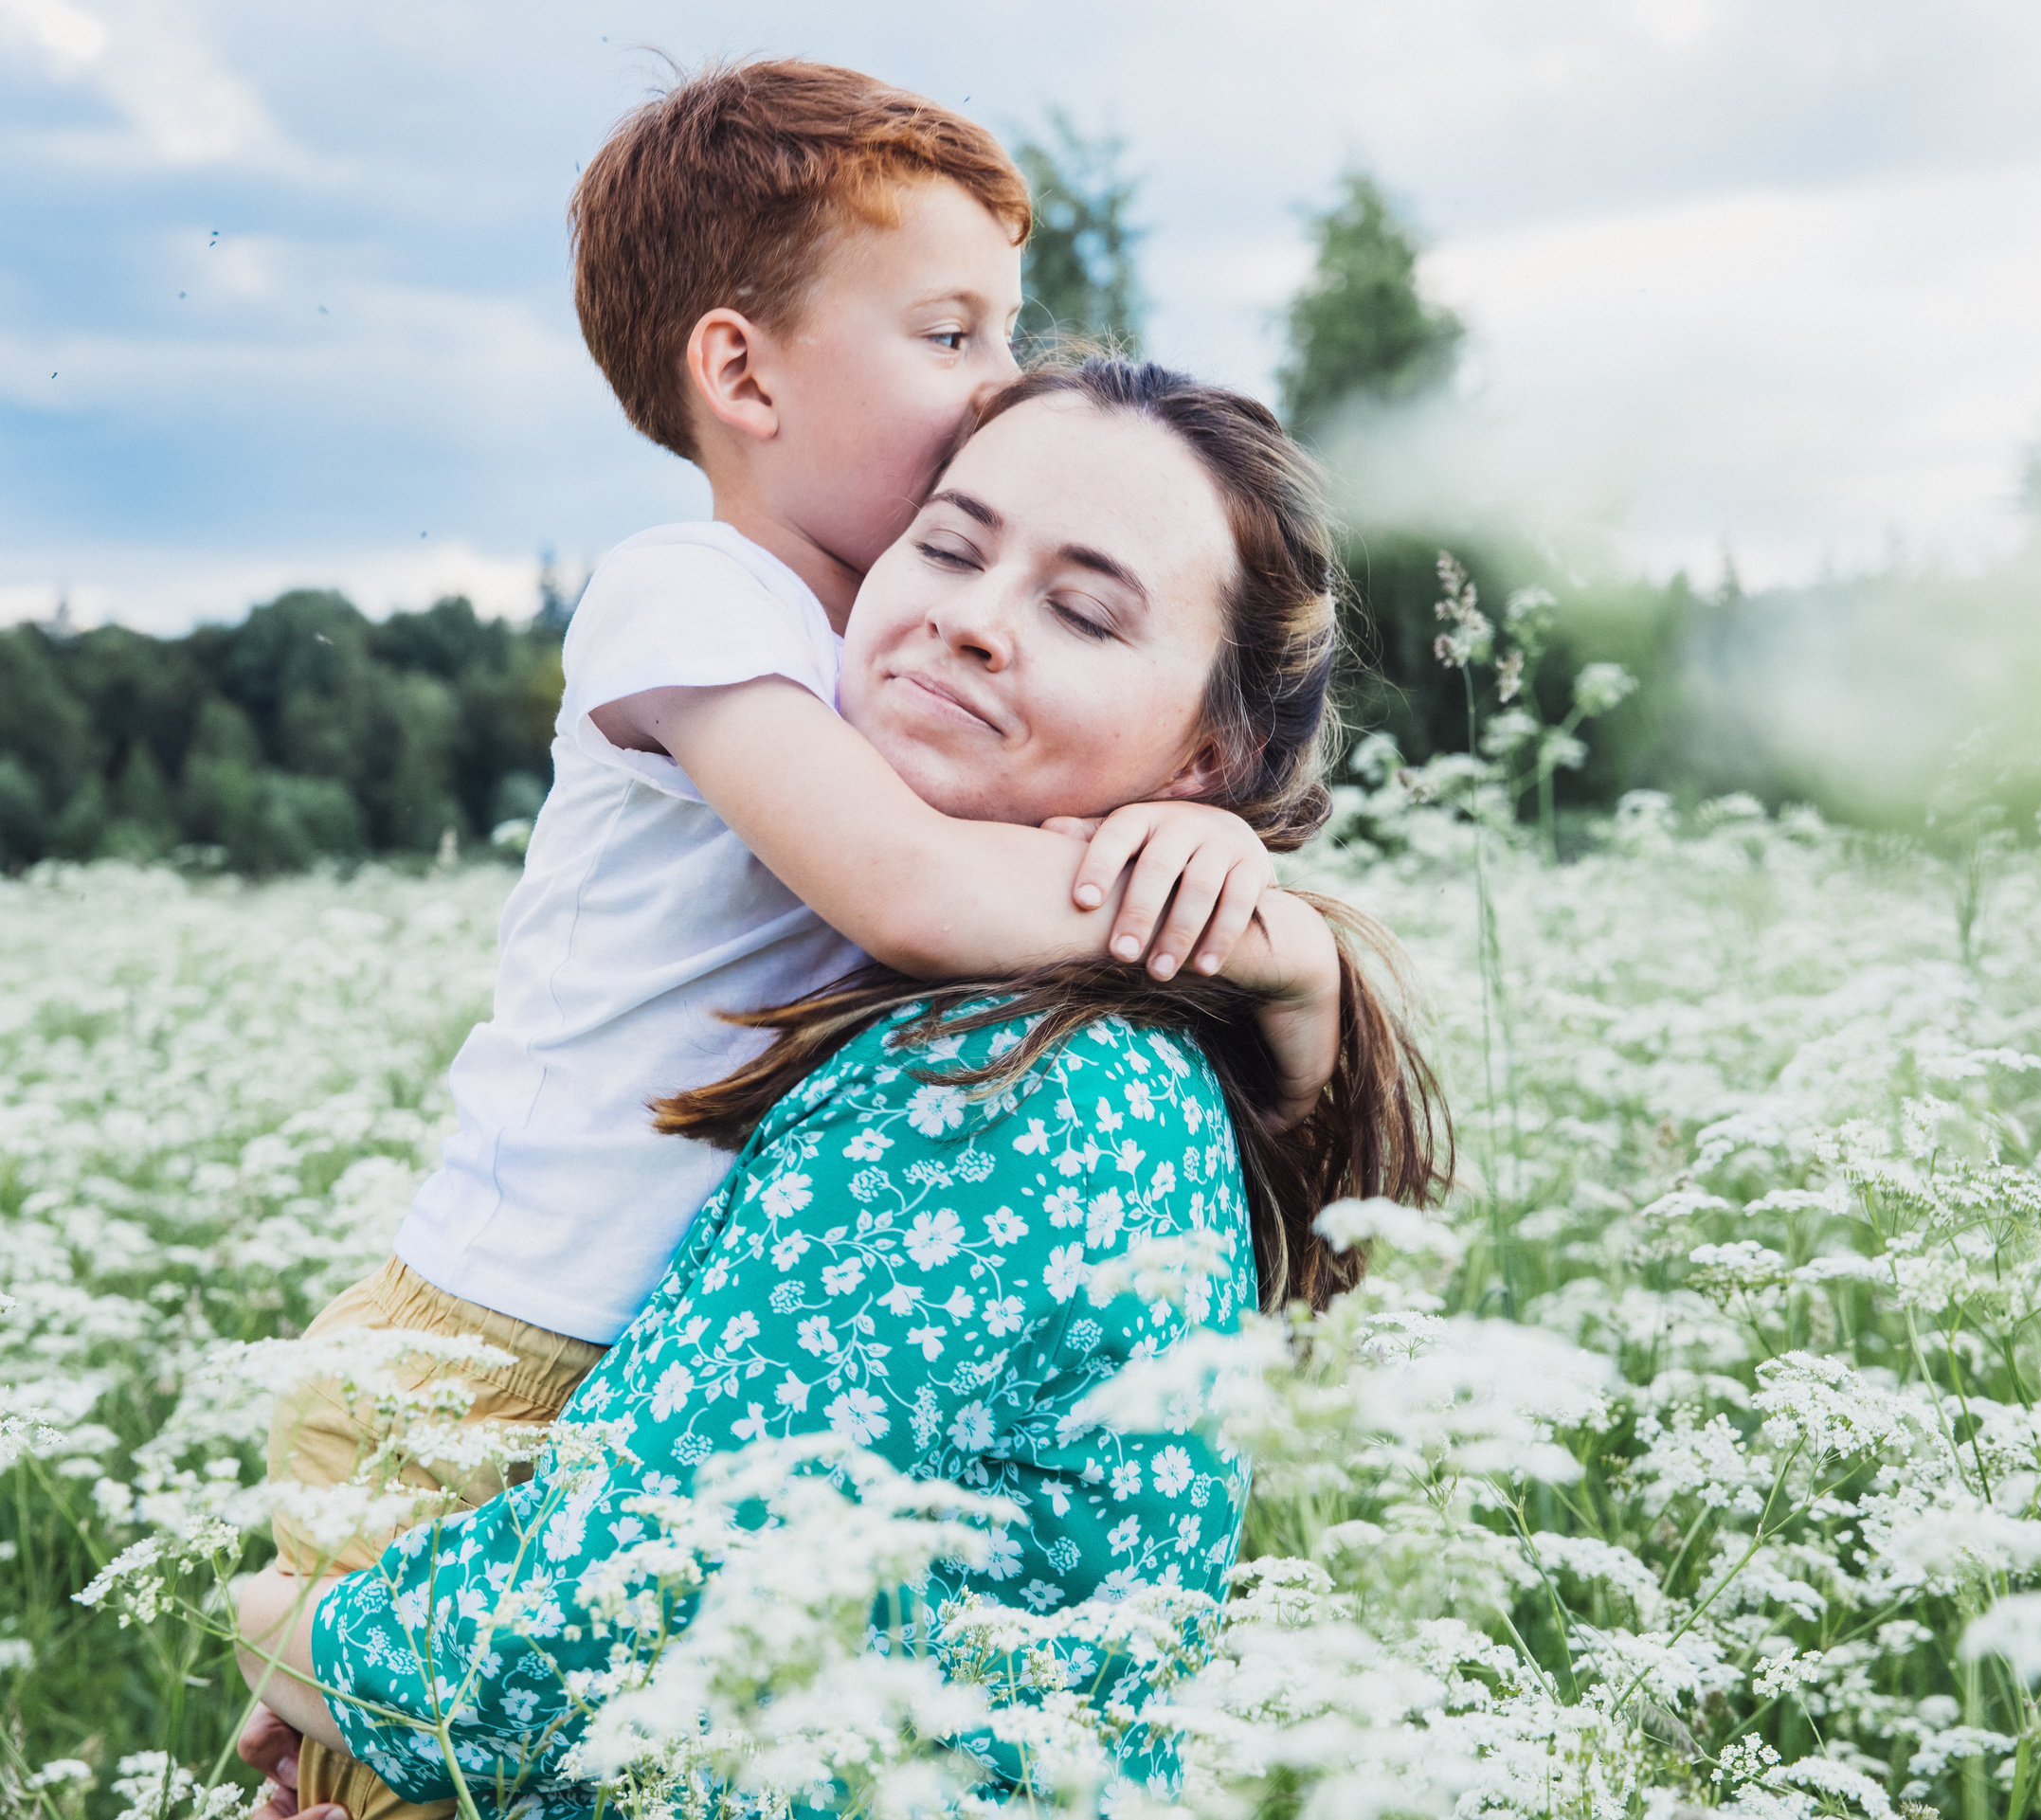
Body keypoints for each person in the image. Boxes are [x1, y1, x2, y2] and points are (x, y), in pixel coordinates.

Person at [259, 64, 1346, 1820]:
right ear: (741, 371)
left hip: (605, 1399)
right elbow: (912, 892)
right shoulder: (691, 602)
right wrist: (1237, 923)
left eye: (1077, 604)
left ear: (1212, 738)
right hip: (487, 1357)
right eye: (951, 334)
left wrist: (1255, 904)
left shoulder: (1018, 1031)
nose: (1000, 383)